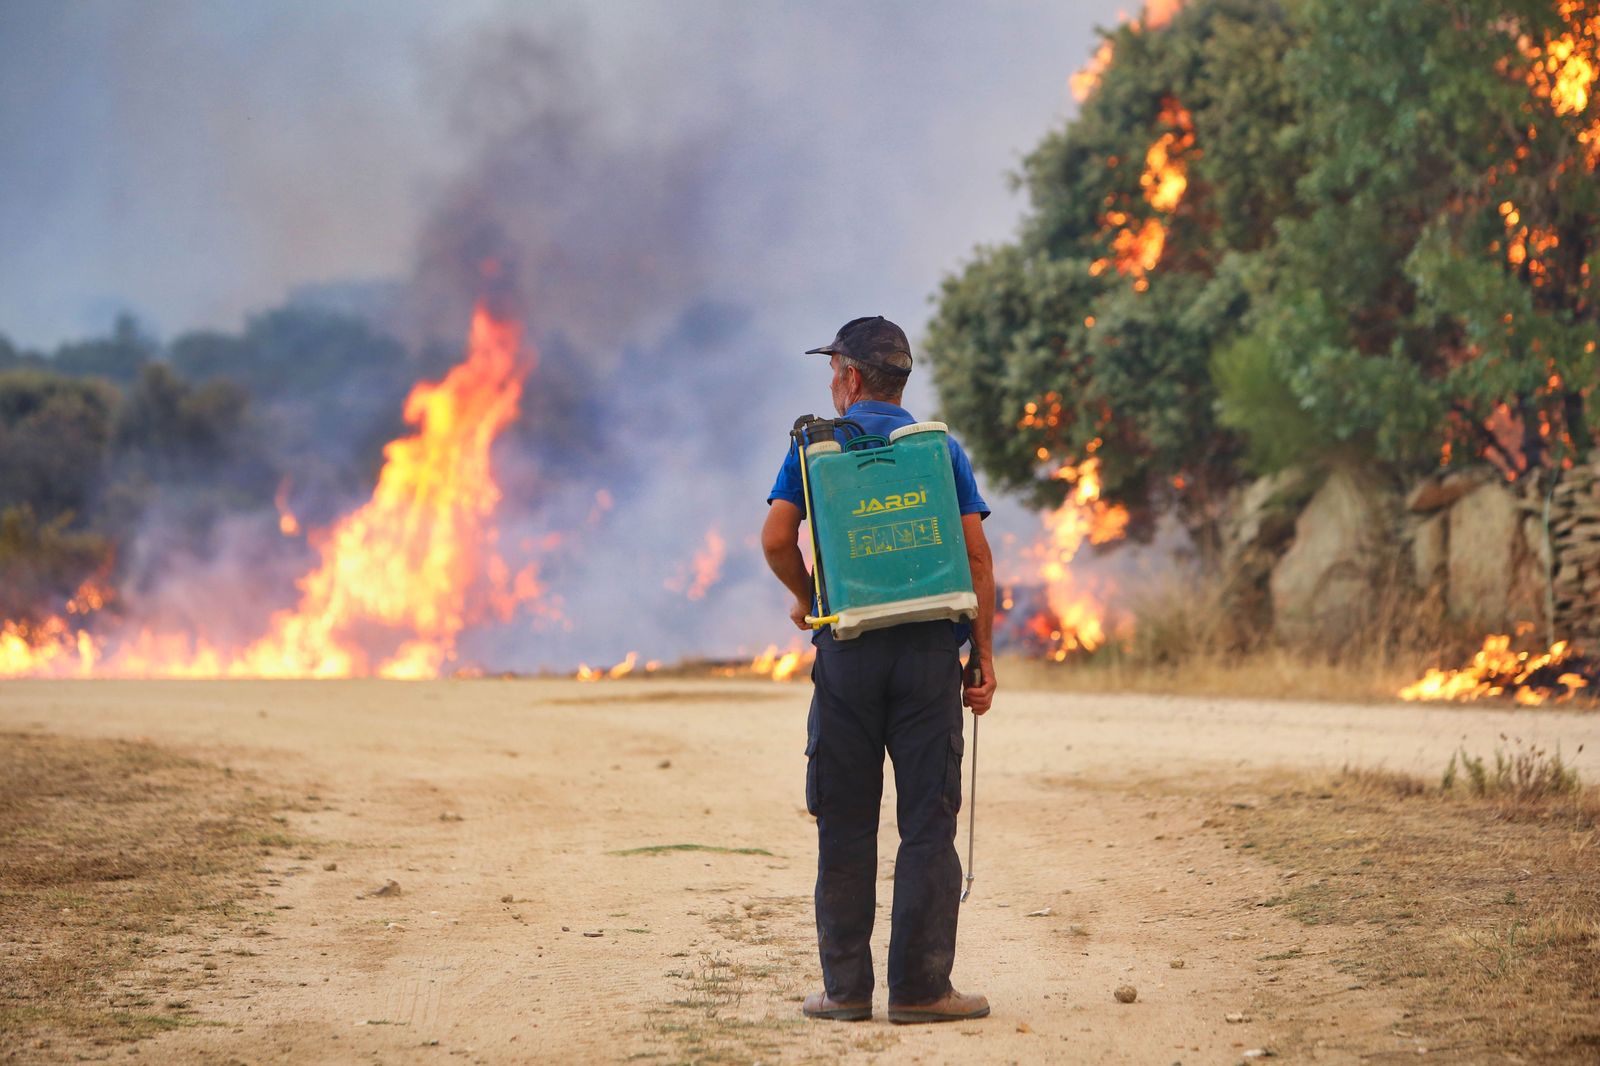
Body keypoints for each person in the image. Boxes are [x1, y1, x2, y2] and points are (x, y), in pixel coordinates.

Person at [761, 315, 997, 1025]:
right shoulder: (937, 451)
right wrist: (981, 655)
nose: (832, 383)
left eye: (835, 370)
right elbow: (977, 559)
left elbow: (776, 536)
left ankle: (846, 992)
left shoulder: (815, 449)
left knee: (846, 823)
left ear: (853, 377)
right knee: (928, 824)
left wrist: (809, 602)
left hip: (849, 657)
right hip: (928, 659)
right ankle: (923, 992)